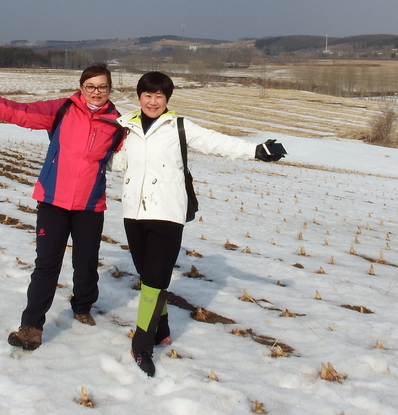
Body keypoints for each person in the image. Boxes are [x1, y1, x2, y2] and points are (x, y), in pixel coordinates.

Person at [110, 71, 285, 376]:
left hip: (167, 214)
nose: (153, 101)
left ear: (167, 99)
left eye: (159, 96)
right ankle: (161, 328)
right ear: (139, 97)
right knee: (148, 275)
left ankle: (142, 346)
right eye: (148, 95)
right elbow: (116, 162)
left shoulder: (178, 125)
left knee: (153, 279)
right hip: (133, 213)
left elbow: (216, 142)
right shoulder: (125, 127)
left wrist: (255, 150)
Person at [0, 64, 124, 351]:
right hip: (53, 201)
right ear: (81, 87)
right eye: (90, 86)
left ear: (110, 89)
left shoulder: (118, 122)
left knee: (86, 263)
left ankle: (83, 305)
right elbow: (20, 113)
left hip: (90, 204)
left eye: (102, 87)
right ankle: (31, 327)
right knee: (47, 265)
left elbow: (133, 153)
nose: (96, 92)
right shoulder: (62, 109)